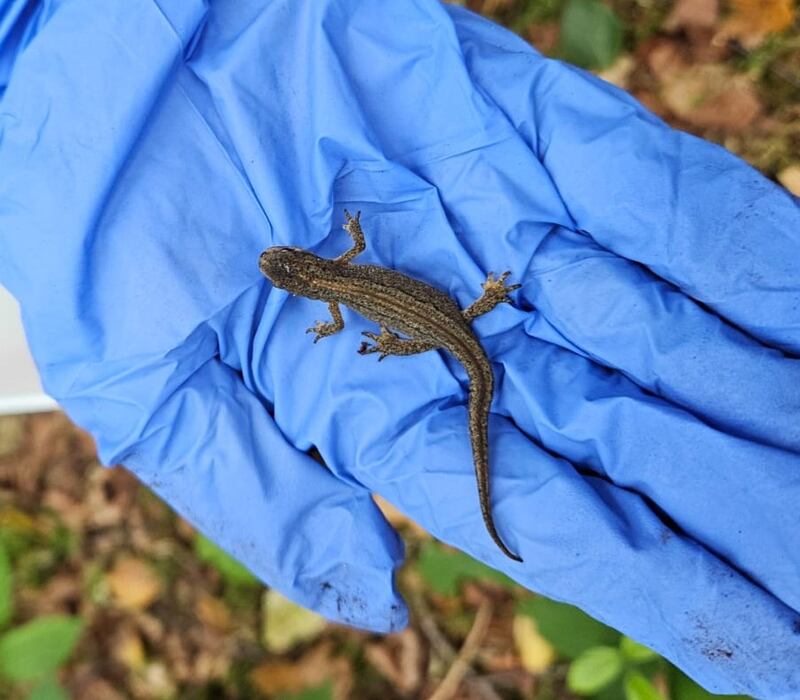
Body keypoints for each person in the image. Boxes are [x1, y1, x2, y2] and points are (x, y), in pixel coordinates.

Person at [1, 1, 798, 696]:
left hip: (443, 320)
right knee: (480, 362)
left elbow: (349, 289)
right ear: (302, 279)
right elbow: (349, 266)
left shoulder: (330, 291)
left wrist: (374, 334)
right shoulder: (331, 280)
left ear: (300, 276)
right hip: (449, 316)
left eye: (287, 269)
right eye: (288, 274)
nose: (284, 270)